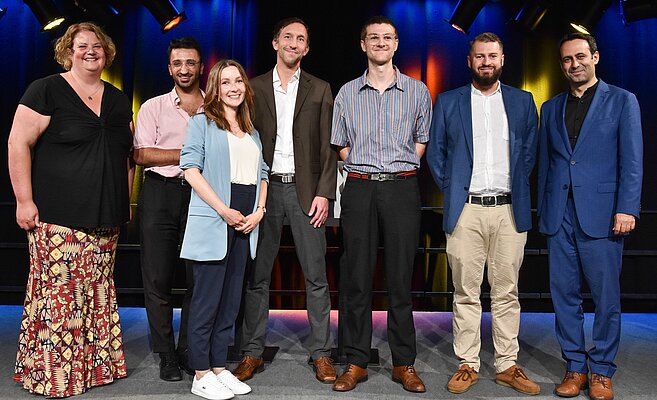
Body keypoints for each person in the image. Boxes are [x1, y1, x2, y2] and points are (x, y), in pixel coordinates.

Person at [7, 22, 133, 397]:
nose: (90, 51)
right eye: (82, 45)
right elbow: (17, 144)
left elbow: (126, 156)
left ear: (107, 53)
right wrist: (24, 200)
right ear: (68, 51)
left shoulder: (118, 99)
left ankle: (94, 371)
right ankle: (54, 377)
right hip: (57, 217)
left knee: (97, 295)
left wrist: (124, 202)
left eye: (97, 45)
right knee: (60, 297)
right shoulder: (46, 89)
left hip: (106, 219)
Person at [426, 32, 540, 396]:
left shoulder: (523, 101)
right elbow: (436, 154)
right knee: (465, 292)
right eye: (480, 56)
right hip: (466, 211)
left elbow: (529, 153)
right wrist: (453, 189)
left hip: (508, 210)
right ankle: (467, 364)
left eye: (492, 56)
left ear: (502, 60)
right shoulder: (449, 101)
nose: (486, 62)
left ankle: (507, 364)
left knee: (507, 291)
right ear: (469, 61)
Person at [537, 33, 643, 400]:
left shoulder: (623, 101)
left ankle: (601, 370)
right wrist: (544, 211)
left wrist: (627, 207)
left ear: (595, 57)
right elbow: (548, 163)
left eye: (581, 56)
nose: (575, 64)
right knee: (563, 296)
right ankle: (575, 367)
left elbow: (632, 160)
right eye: (567, 59)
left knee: (605, 298)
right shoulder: (550, 107)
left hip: (603, 214)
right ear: (562, 65)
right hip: (559, 215)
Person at [233, 17, 337, 384]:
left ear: (307, 48)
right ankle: (252, 352)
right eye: (288, 37)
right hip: (266, 189)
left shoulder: (321, 89)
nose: (294, 43)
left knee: (316, 276)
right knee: (258, 276)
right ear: (275, 43)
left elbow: (328, 146)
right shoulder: (254, 86)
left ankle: (321, 353)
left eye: (301, 39)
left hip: (306, 192)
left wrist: (325, 192)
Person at [330, 15, 430, 393]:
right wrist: (367, 167)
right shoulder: (347, 93)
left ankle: (404, 363)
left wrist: (397, 167)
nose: (381, 43)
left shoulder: (417, 91)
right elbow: (340, 144)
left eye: (387, 37)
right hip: (360, 188)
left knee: (400, 280)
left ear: (396, 43)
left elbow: (421, 140)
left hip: (402, 188)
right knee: (357, 279)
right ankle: (356, 361)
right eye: (374, 37)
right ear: (363, 44)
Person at [180, 59, 269, 400]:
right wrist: (223, 210)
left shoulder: (251, 130)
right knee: (207, 301)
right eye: (226, 82)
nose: (234, 88)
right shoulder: (202, 122)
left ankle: (219, 366)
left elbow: (263, 173)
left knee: (231, 302)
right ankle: (200, 372)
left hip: (246, 221)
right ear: (215, 88)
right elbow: (190, 169)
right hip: (216, 219)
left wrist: (259, 211)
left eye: (238, 81)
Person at [133, 37, 204, 381]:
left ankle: (189, 349)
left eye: (190, 63)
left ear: (201, 67)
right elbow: (142, 154)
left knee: (198, 278)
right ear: (169, 68)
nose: (184, 69)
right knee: (157, 278)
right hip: (160, 193)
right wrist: (189, 153)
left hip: (201, 196)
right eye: (178, 63)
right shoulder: (153, 107)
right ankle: (166, 355)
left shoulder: (215, 106)